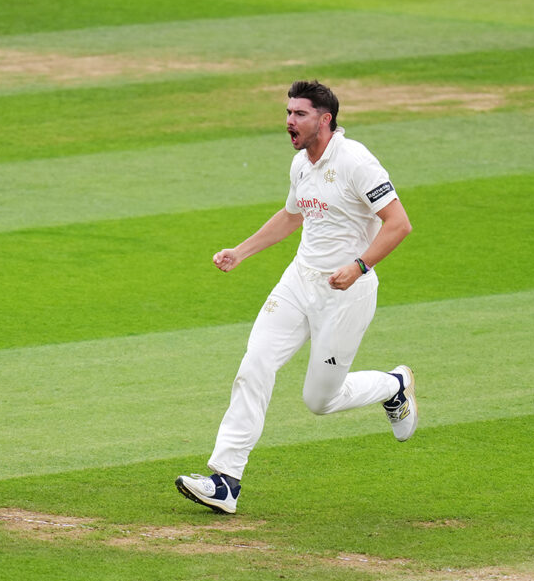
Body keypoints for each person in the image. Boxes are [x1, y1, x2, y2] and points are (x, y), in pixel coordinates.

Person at [176, 80, 417, 515]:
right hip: (298, 282)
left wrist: (359, 266)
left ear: (325, 120)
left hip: (346, 293)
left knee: (319, 401)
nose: (289, 121)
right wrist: (241, 251)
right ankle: (226, 480)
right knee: (254, 365)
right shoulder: (301, 164)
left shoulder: (356, 161)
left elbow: (398, 224)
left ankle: (393, 386)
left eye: (299, 114)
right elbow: (292, 216)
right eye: (288, 112)